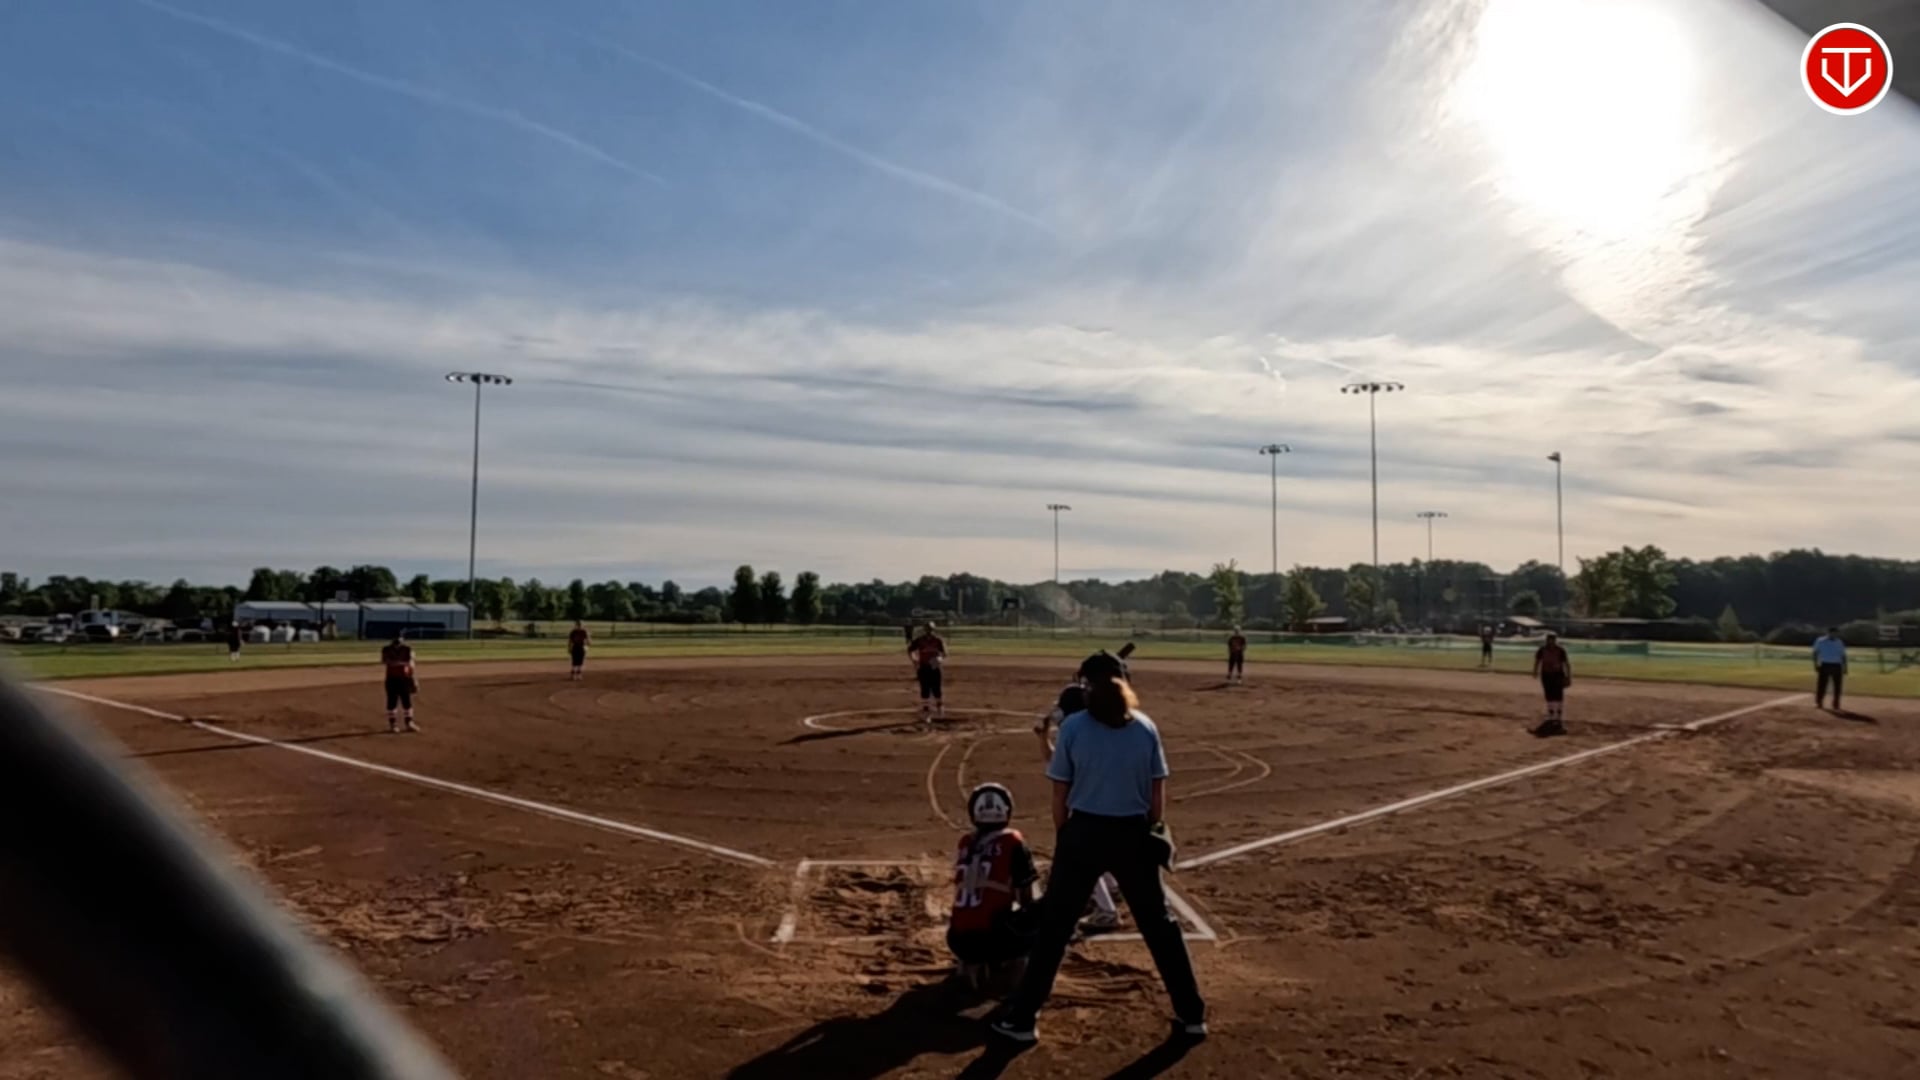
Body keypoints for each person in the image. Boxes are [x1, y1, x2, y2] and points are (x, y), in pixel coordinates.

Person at [992, 653, 1206, 1045]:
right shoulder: (1145, 727)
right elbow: (1157, 793)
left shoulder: (1075, 728)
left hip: (1084, 833)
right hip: (1134, 834)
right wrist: (1152, 830)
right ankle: (1191, 1015)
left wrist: (1067, 836)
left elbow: (1060, 793)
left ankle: (1022, 1019)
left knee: (1054, 929)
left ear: (1087, 686)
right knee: (1160, 926)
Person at [1033, 666, 1123, 934]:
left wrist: (1062, 826)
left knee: (1082, 857)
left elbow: (1056, 769)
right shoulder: (1100, 728)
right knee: (1103, 851)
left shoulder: (1075, 735)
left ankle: (1107, 911)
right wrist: (1044, 738)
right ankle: (1112, 884)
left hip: (1092, 807)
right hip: (1116, 803)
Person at [948, 783, 1040, 995]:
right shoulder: (1013, 842)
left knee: (977, 911)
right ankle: (1019, 987)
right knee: (1037, 919)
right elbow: (1025, 898)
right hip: (992, 938)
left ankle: (969, 964)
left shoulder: (965, 843)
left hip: (957, 939)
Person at [1531, 632, 1572, 737]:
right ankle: (1551, 715)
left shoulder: (1560, 650)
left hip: (1557, 675)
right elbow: (1538, 661)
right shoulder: (1542, 650)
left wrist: (1568, 676)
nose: (1550, 641)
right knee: (1549, 695)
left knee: (1558, 695)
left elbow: (1566, 663)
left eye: (1552, 639)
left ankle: (1558, 716)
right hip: (1546, 675)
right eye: (1549, 639)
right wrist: (1535, 671)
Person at [908, 622, 947, 723]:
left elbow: (944, 653)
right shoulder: (920, 640)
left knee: (936, 689)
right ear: (925, 630)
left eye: (930, 629)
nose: (929, 631)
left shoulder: (938, 640)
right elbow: (910, 649)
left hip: (934, 667)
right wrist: (914, 659)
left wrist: (938, 660)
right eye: (927, 629)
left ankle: (939, 708)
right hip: (924, 667)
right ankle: (926, 712)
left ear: (933, 630)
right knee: (925, 690)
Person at [381, 633, 419, 734]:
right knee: (392, 701)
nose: (397, 641)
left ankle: (409, 722)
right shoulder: (386, 649)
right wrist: (402, 663)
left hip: (404, 679)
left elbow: (411, 663)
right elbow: (385, 661)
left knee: (407, 701)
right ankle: (393, 724)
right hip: (392, 679)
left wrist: (413, 678)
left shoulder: (408, 649)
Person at [1813, 627, 1848, 710]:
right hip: (1825, 664)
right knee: (1822, 685)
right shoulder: (1820, 641)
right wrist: (1815, 664)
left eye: (1835, 633)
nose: (1834, 635)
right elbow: (1815, 653)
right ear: (1828, 633)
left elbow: (1843, 655)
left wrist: (1845, 667)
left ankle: (1836, 703)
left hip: (1837, 665)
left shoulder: (1839, 642)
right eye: (1832, 633)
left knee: (1837, 686)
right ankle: (1819, 702)